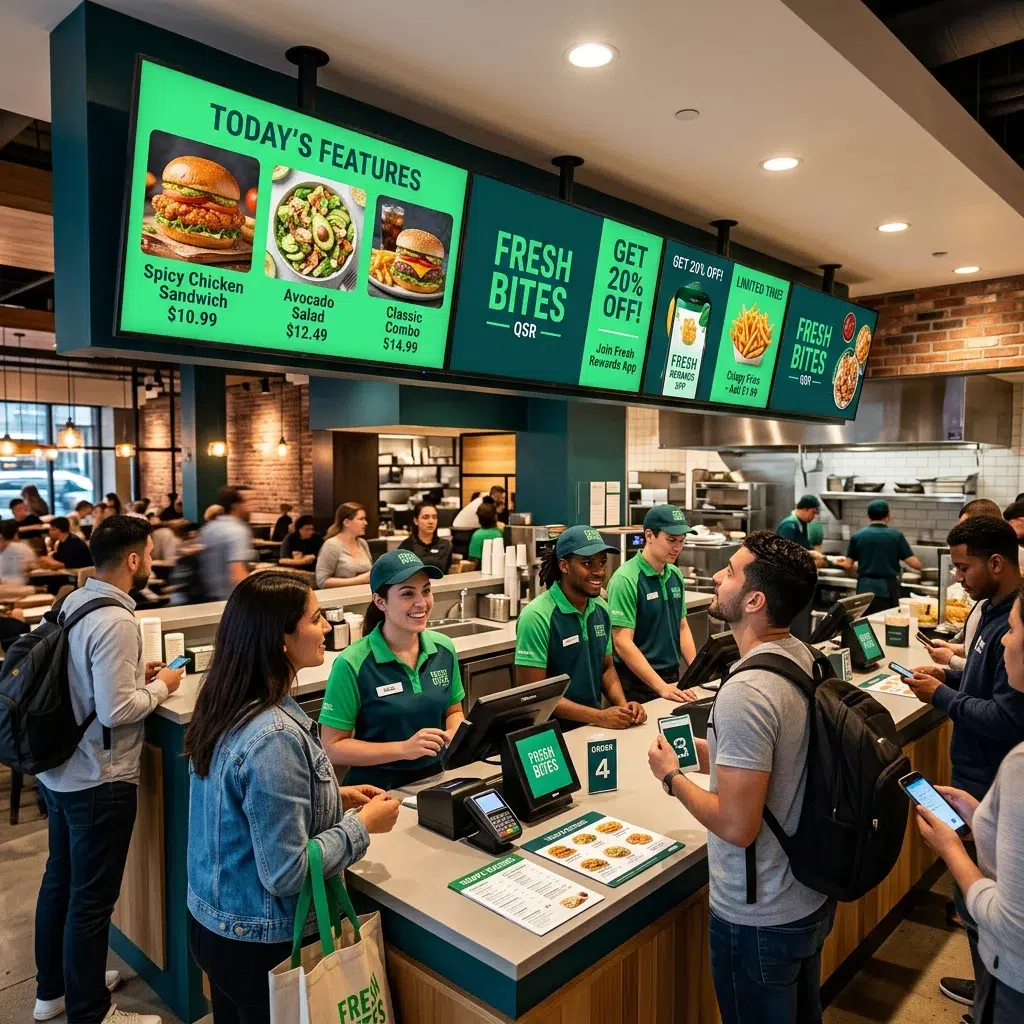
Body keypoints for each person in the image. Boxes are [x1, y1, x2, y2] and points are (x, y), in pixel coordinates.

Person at [184, 572, 399, 1024]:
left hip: (216, 925)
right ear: (281, 639)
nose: (326, 628)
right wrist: (362, 826)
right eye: (316, 619)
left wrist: (332, 796)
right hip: (262, 944)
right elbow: (287, 873)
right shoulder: (275, 735)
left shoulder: (227, 703)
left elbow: (245, 810)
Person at [647, 531, 832, 1024]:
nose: (716, 576)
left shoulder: (746, 691)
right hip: (806, 894)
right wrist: (706, 754)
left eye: (729, 572)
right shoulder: (803, 656)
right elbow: (782, 756)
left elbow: (736, 825)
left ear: (754, 601)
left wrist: (672, 778)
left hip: (760, 915)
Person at [33, 516, 184, 1024]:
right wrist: (162, 686)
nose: (151, 561)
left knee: (60, 881)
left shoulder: (75, 601)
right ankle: (91, 1012)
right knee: (92, 901)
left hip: (60, 769)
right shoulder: (117, 620)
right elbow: (117, 711)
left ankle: (53, 991)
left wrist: (132, 675)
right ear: (134, 559)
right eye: (149, 553)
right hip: (99, 777)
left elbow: (83, 678)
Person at [907, 515, 1024, 1010]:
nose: (957, 577)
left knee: (980, 899)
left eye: (963, 567)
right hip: (974, 777)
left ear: (996, 563)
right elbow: (984, 684)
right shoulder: (992, 611)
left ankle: (991, 1000)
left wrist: (941, 697)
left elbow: (1005, 717)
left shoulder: (1012, 619)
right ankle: (986, 993)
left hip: (987, 773)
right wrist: (950, 679)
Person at [320, 551, 466, 790]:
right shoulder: (351, 663)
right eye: (408, 594)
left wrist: (453, 731)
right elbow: (332, 748)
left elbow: (454, 711)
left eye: (426, 591)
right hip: (376, 791)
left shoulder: (444, 649)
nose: (422, 603)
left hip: (437, 780)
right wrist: (403, 749)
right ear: (380, 602)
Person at [515, 525, 647, 730]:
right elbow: (534, 694)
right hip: (552, 734)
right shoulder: (536, 616)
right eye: (587, 563)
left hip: (592, 728)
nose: (599, 571)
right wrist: (599, 716)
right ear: (564, 565)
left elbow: (606, 668)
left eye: (602, 562)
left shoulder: (601, 608)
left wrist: (624, 707)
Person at [608, 504, 699, 705]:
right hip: (638, 682)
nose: (677, 548)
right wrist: (660, 686)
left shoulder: (674, 574)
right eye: (671, 540)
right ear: (649, 535)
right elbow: (622, 642)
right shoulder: (625, 579)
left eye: (682, 541)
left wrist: (697, 672)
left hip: (671, 677)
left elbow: (682, 627)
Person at [929, 499, 1009, 671]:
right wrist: (947, 673)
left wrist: (950, 661)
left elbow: (987, 675)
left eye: (963, 568)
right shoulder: (988, 604)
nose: (958, 578)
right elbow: (980, 655)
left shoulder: (1010, 614)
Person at [840, 499, 922, 613]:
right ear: (888, 516)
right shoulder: (896, 536)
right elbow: (915, 564)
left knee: (865, 622)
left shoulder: (858, 536)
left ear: (869, 516)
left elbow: (848, 564)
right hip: (887, 590)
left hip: (864, 590)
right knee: (885, 621)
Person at [198, 486, 255, 601]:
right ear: (235, 506)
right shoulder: (237, 530)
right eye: (248, 502)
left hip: (208, 599)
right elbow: (238, 574)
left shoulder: (208, 528)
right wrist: (257, 598)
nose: (251, 507)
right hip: (231, 600)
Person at [316, 502, 371, 589]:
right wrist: (358, 580)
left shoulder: (362, 543)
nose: (365, 523)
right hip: (342, 596)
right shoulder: (331, 545)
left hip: (365, 594)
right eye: (361, 519)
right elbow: (322, 581)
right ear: (346, 522)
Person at [398, 502, 453, 574]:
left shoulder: (446, 545)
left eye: (434, 517)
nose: (431, 521)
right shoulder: (407, 546)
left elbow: (449, 572)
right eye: (426, 517)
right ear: (416, 521)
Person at [776, 495, 826, 567]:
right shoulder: (789, 525)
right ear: (805, 509)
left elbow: (803, 545)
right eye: (813, 512)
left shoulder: (802, 523)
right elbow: (785, 552)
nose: (814, 516)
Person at [0, 517, 36, 596]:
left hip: (16, 587)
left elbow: (31, 567)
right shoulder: (24, 547)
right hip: (17, 586)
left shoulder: (20, 548)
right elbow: (33, 566)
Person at [466, 500, 504, 566]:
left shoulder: (477, 535)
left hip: (481, 570)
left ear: (479, 518)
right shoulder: (500, 533)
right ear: (495, 517)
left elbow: (473, 561)